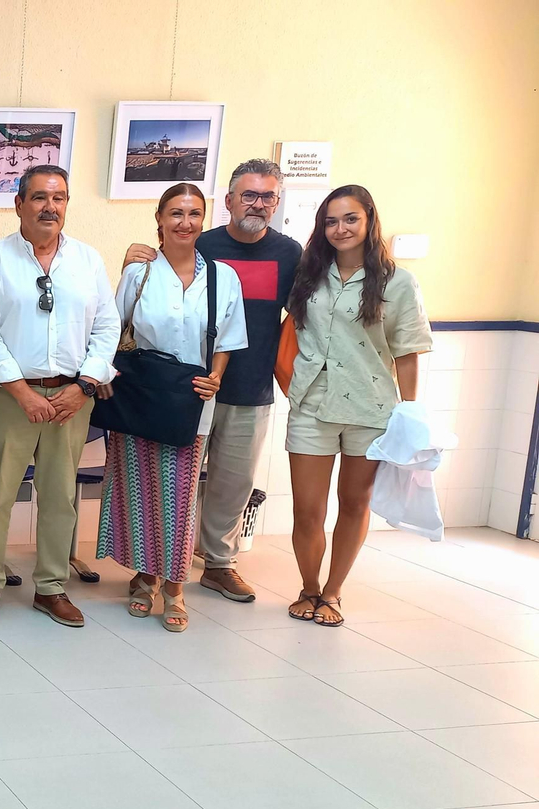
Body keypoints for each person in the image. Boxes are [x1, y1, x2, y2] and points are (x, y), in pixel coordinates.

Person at [124, 159, 303, 602]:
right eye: (248, 195)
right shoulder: (202, 242)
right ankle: (157, 566)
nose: (257, 204)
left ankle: (219, 563)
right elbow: (153, 284)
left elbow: (306, 316)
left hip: (251, 386)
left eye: (267, 196)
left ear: (277, 202)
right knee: (172, 482)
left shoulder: (290, 254)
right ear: (229, 201)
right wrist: (130, 257)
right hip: (186, 388)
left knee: (234, 482)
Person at [0, 164, 118, 628]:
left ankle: (51, 587)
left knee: (59, 496)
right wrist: (22, 392)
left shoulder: (87, 260)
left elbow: (107, 327)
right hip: (6, 397)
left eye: (59, 198)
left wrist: (84, 386)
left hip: (71, 397)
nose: (50, 207)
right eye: (39, 197)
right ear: (19, 204)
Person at [98, 183, 248, 632]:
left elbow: (228, 338)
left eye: (194, 213)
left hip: (191, 399)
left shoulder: (222, 277)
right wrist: (103, 376)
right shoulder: (139, 273)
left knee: (180, 498)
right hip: (140, 396)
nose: (185, 222)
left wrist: (216, 376)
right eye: (176, 213)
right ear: (159, 219)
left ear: (204, 220)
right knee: (139, 491)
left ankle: (175, 586)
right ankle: (146, 577)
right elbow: (112, 329)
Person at [284, 185, 431, 627]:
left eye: (350, 219)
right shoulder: (308, 273)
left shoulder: (397, 282)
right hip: (312, 404)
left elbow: (407, 352)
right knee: (307, 510)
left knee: (353, 503)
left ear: (369, 220)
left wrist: (410, 412)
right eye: (331, 221)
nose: (340, 229)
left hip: (370, 408)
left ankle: (332, 592)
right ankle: (309, 587)